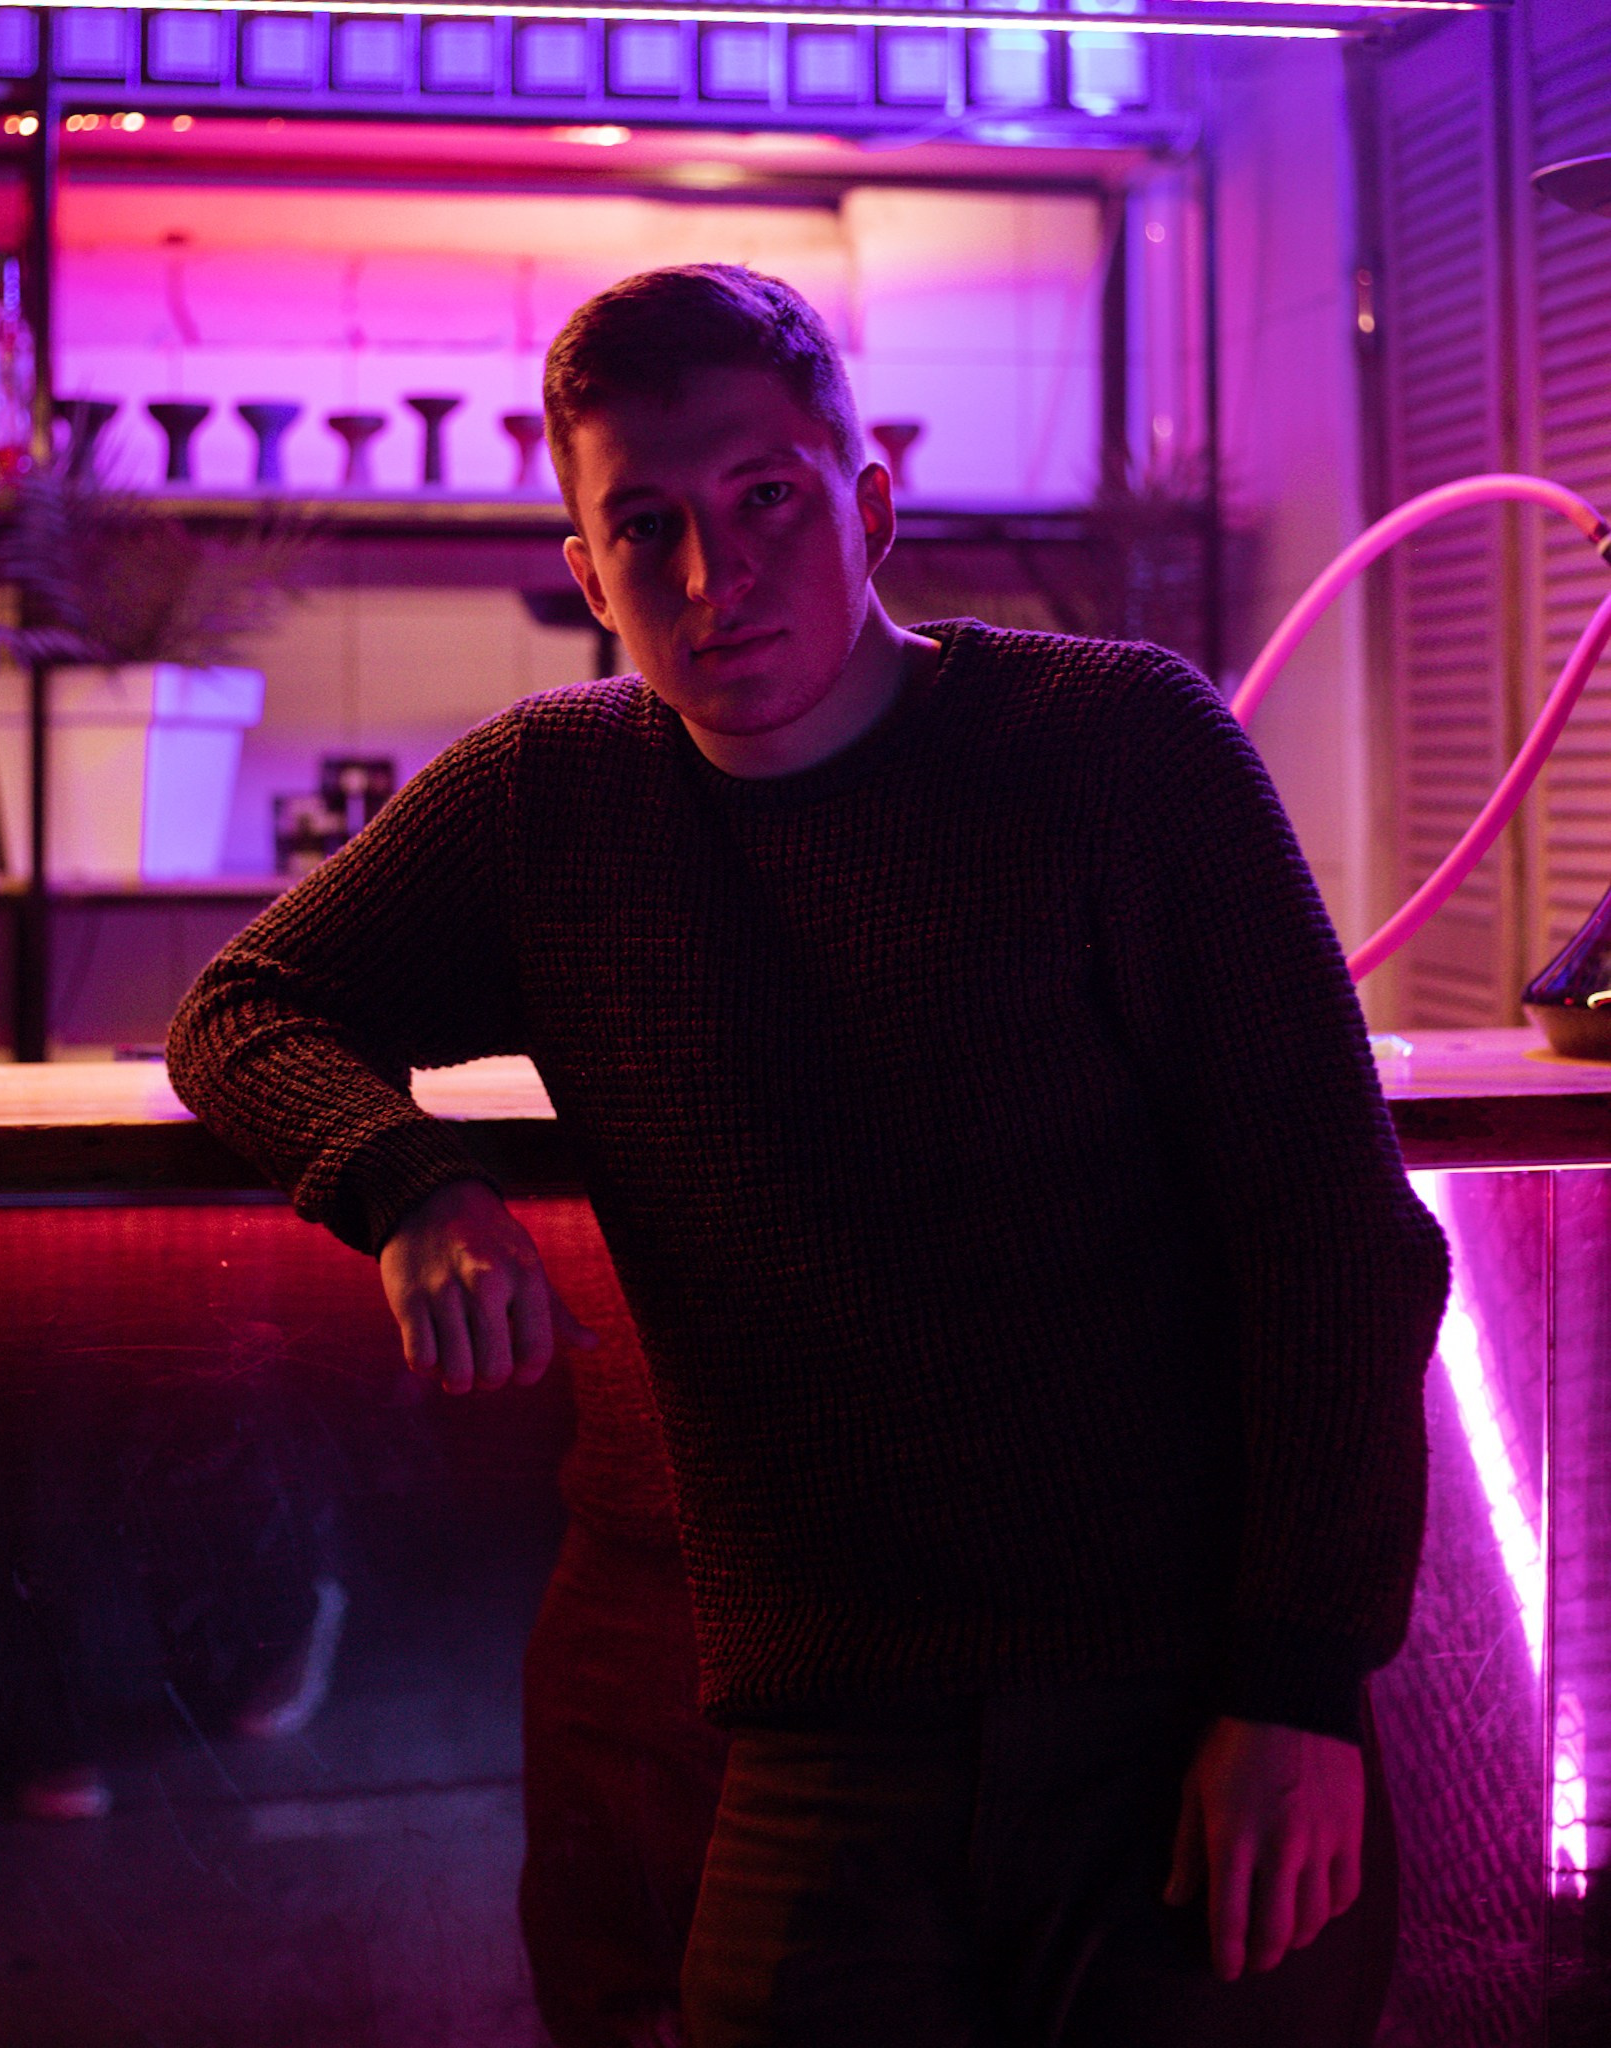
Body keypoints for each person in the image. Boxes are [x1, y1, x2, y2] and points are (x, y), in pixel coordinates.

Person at [167, 263, 1450, 2046]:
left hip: (1181, 1708)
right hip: (823, 1741)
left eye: (766, 498)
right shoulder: (552, 803)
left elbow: (1335, 1242)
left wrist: (1300, 1689)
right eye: (648, 527)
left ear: (870, 505)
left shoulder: (1117, 748)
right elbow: (243, 1006)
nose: (715, 576)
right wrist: (407, 1183)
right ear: (586, 572)